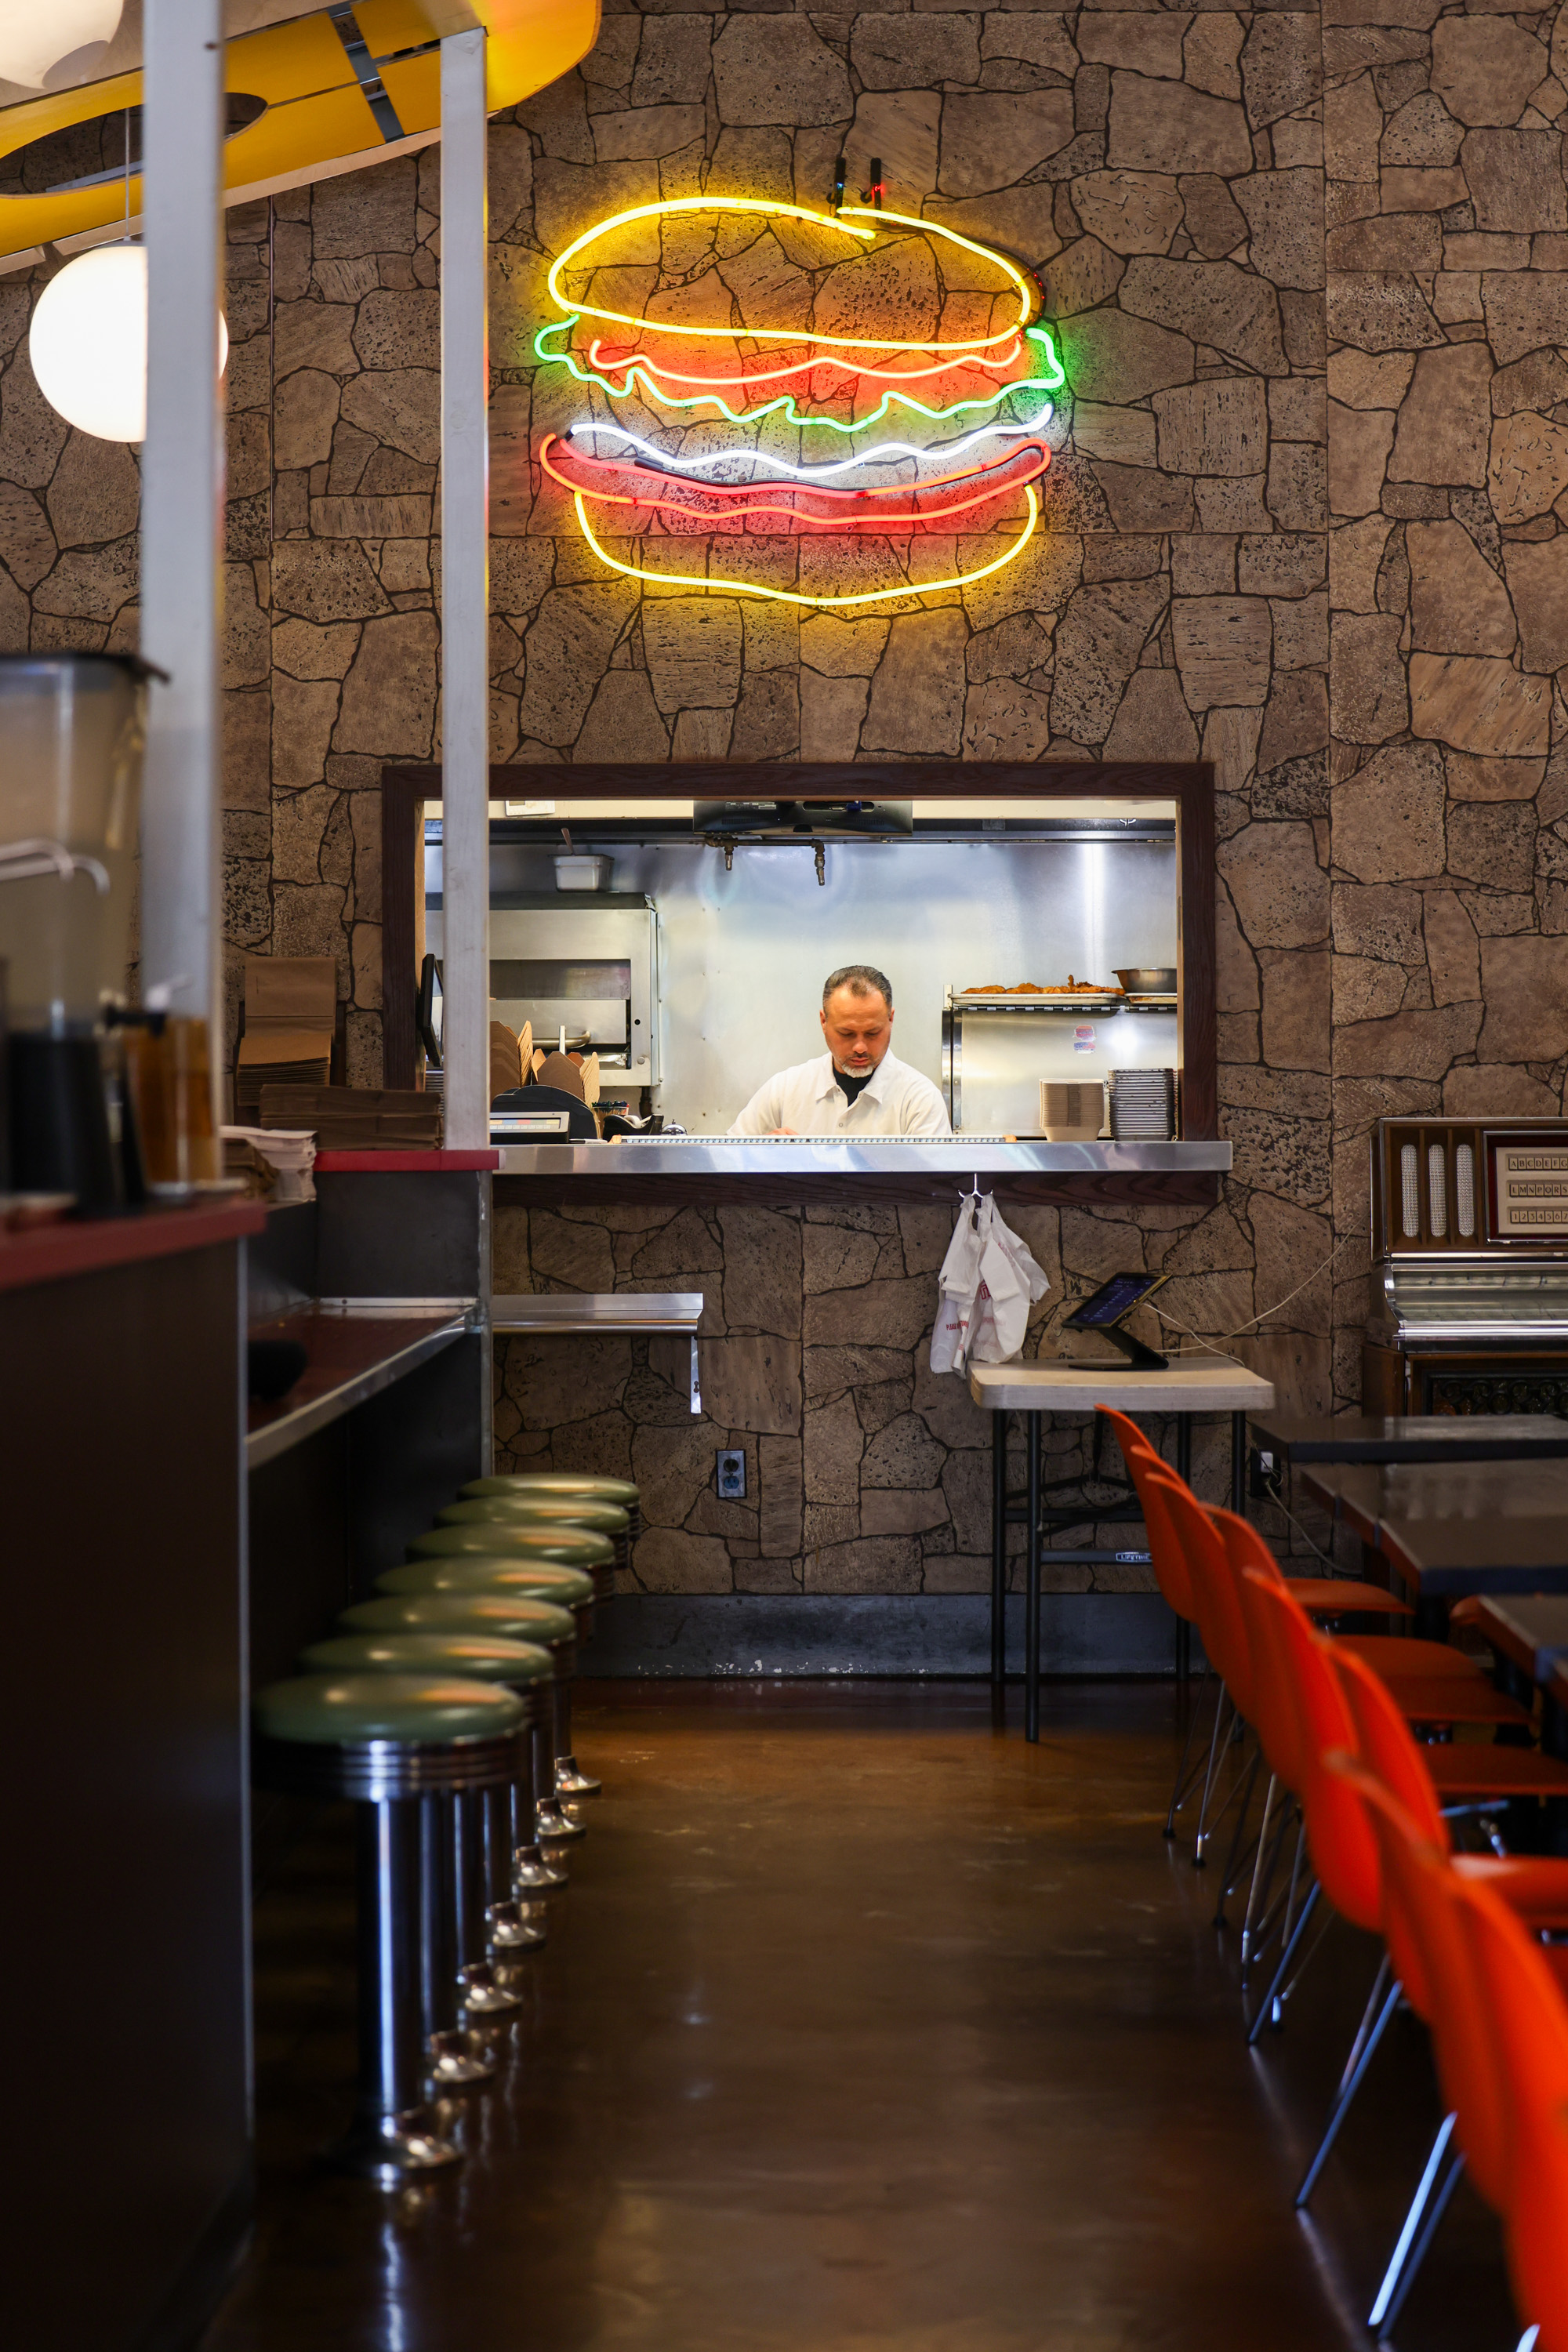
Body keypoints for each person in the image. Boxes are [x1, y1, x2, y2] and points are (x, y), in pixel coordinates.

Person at [729, 964, 951, 1137]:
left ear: (891, 1019)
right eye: (846, 1034)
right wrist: (757, 1153)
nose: (860, 1048)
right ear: (823, 1021)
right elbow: (725, 1163)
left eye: (873, 1033)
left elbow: (935, 1189)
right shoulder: (785, 1090)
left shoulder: (919, 1099)